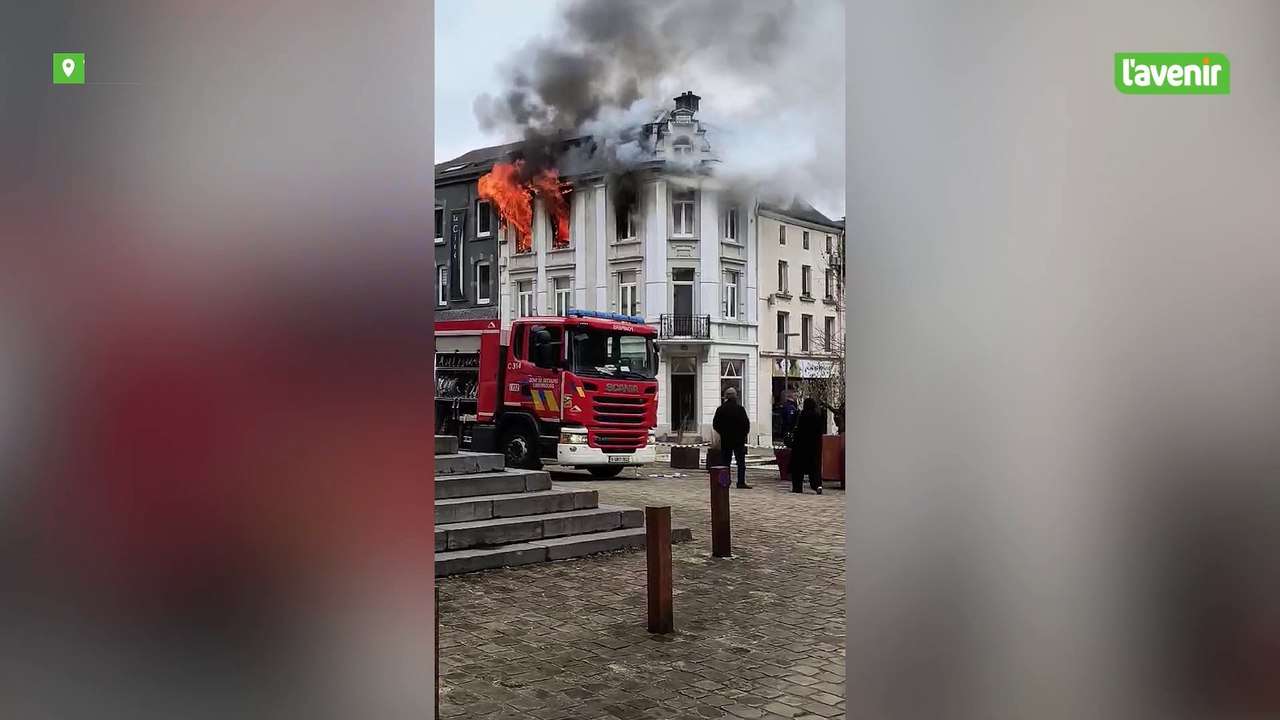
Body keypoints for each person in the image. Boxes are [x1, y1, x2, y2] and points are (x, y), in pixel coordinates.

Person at [712, 387, 752, 489]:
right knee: (740, 462)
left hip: (726, 439)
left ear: (726, 397)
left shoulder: (721, 409)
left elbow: (715, 424)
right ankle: (741, 482)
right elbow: (746, 424)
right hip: (738, 439)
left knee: (725, 462)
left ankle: (725, 481)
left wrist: (722, 433)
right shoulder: (740, 409)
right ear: (735, 397)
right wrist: (743, 435)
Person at [789, 398, 825, 494]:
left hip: (800, 445)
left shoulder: (800, 415)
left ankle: (797, 487)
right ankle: (816, 485)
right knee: (814, 468)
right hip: (813, 446)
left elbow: (793, 426)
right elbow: (820, 430)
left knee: (798, 468)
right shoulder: (817, 417)